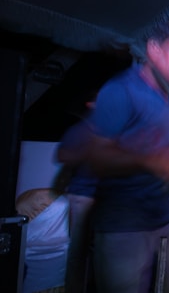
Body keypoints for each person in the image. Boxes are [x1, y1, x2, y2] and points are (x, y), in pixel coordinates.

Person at [62, 24, 169, 293]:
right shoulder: (120, 90)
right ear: (154, 49)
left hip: (165, 221)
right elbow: (97, 157)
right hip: (123, 226)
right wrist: (148, 160)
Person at [56, 92, 98, 293]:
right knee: (79, 250)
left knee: (99, 249)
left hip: (103, 199)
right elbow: (62, 155)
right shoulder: (81, 130)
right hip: (82, 197)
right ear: (90, 104)